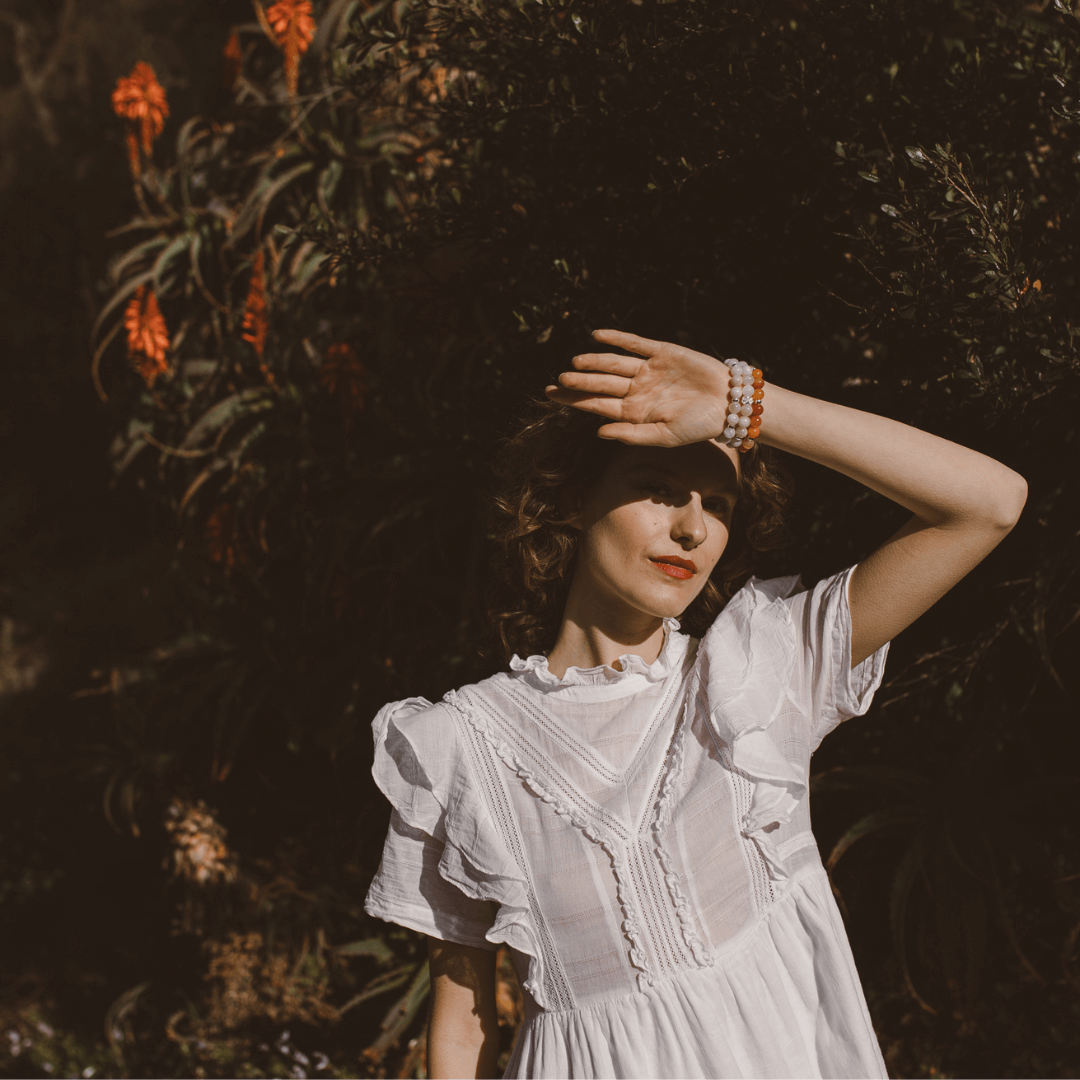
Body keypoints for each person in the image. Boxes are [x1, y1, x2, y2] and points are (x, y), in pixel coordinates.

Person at [363, 329, 1027, 1079]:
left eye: (718, 503)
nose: (692, 527)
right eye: (659, 487)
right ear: (575, 500)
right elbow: (463, 1028)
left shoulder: (758, 673)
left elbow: (988, 504)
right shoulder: (454, 746)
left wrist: (745, 405)